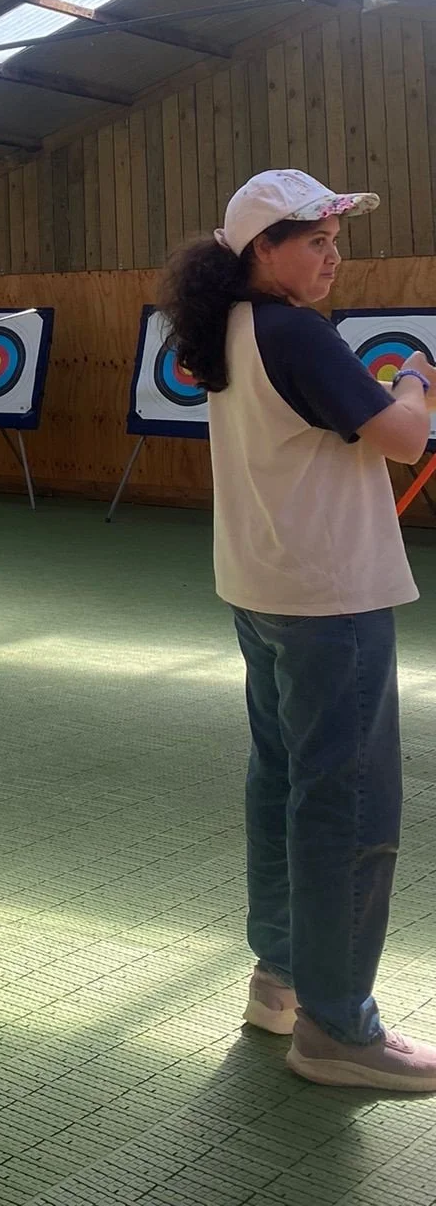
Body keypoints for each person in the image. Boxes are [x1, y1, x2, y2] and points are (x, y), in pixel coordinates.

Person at [160, 167, 436, 1091]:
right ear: (261, 251)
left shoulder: (232, 328)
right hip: (330, 603)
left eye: (333, 239)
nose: (332, 255)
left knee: (284, 783)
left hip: (267, 592)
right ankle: (338, 1027)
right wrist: (416, 381)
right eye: (313, 240)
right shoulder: (294, 333)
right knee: (347, 805)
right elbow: (404, 437)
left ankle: (281, 981)